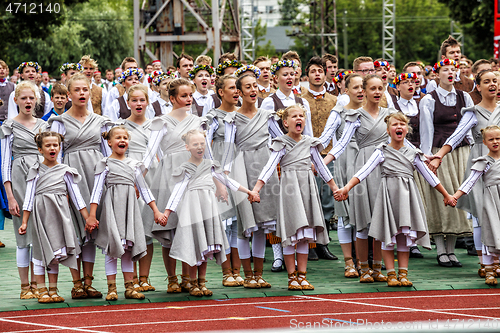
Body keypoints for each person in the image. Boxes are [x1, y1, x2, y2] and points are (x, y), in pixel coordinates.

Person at [335, 112, 455, 287]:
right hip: (387, 198)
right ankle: (391, 274)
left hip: (407, 198)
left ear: (407, 129)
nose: (398, 127)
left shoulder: (413, 153)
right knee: (388, 236)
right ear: (387, 130)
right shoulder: (381, 151)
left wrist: (446, 194)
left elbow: (430, 176)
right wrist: (346, 188)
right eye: (394, 125)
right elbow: (364, 171)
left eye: (402, 124)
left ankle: (403, 274)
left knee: (403, 237)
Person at [141, 78, 215, 293]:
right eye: (183, 96)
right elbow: (150, 152)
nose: (188, 99)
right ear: (172, 98)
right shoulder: (161, 122)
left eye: (190, 95)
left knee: (191, 227)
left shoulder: (199, 121)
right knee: (170, 230)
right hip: (169, 175)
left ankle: (189, 279)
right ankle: (172, 278)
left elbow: (207, 154)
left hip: (193, 175)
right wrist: (138, 179)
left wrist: (216, 181)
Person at [163, 129, 258, 296]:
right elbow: (177, 192)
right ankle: (193, 283)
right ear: (187, 147)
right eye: (195, 144)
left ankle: (202, 282)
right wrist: (166, 213)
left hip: (208, 210)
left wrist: (248, 191)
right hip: (193, 210)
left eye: (202, 144)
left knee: (206, 245)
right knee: (195, 244)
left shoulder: (211, 166)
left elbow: (228, 181)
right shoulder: (185, 168)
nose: (200, 147)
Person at [253, 105, 337, 290]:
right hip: (290, 190)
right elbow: (269, 166)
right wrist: (257, 188)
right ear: (285, 122)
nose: (298, 119)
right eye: (294, 116)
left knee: (305, 234)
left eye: (301, 116)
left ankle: (302, 275)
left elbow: (321, 167)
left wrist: (334, 187)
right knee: (292, 232)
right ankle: (292, 277)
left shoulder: (311, 143)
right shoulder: (281, 143)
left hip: (307, 188)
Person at [324, 74, 394, 284]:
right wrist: (320, 162)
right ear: (364, 90)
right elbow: (340, 144)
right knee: (361, 221)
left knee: (381, 220)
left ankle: (377, 268)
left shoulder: (390, 114)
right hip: (361, 167)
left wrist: (424, 157)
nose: (376, 92)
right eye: (371, 88)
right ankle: (361, 267)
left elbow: (401, 141)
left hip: (383, 167)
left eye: (380, 88)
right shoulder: (353, 116)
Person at [49, 73, 114, 299]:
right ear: (69, 95)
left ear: (90, 91)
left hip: (95, 177)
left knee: (91, 230)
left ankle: (88, 282)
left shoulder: (101, 121)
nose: (82, 94)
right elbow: (54, 156)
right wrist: (59, 184)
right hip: (71, 178)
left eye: (85, 89)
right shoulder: (59, 122)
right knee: (75, 229)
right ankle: (76, 283)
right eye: (76, 90)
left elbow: (108, 156)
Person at [430, 69, 499, 275]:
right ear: (478, 87)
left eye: (495, 80)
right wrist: (439, 155)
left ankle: (496, 261)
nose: (492, 84)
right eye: (486, 81)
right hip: (479, 162)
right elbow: (456, 135)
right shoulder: (473, 112)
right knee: (481, 214)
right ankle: (484, 263)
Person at [87, 126, 165, 300]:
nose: (122, 140)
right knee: (112, 247)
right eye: (118, 137)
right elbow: (97, 191)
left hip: (130, 209)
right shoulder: (104, 163)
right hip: (112, 209)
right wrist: (92, 215)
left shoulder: (134, 165)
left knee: (128, 249)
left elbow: (144, 190)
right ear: (109, 142)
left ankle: (130, 288)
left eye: (125, 138)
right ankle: (111, 289)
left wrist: (156, 211)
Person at [222, 74, 283, 288]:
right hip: (242, 169)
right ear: (239, 91)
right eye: (247, 87)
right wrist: (225, 175)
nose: (253, 90)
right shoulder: (232, 119)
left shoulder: (268, 116)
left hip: (264, 169)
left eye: (255, 86)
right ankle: (247, 275)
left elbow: (281, 141)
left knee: (262, 224)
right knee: (245, 224)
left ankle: (259, 275)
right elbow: (229, 149)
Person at [19, 131, 89, 303]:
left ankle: (53, 289)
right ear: (40, 149)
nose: (52, 148)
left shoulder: (66, 171)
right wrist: (24, 221)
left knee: (57, 251)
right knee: (41, 251)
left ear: (60, 147)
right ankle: (42, 290)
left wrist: (88, 218)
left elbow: (76, 196)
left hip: (60, 216)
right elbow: (28, 197)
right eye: (48, 145)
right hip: (41, 215)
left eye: (55, 145)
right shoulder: (35, 170)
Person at [419, 59, 474, 268]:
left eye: (453, 69)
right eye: (445, 70)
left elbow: (469, 126)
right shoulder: (429, 100)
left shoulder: (465, 96)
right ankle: (441, 250)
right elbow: (426, 130)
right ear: (437, 74)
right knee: (441, 198)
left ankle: (452, 251)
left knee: (458, 198)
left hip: (462, 152)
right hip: (438, 153)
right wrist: (428, 157)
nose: (450, 73)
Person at [1, 81, 46, 299]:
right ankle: (24, 286)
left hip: (41, 180)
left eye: (31, 98)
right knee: (22, 234)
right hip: (19, 180)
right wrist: (9, 196)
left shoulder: (44, 126)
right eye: (24, 98)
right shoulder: (9, 126)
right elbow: (4, 164)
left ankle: (39, 285)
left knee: (39, 233)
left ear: (36, 100)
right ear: (16, 100)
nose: (28, 101)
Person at [319, 73, 362, 278]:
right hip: (346, 163)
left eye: (364, 87)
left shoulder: (375, 111)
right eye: (356, 87)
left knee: (366, 213)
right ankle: (349, 262)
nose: (361, 91)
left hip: (368, 162)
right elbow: (325, 138)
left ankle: (366, 261)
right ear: (345, 90)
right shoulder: (339, 112)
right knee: (346, 214)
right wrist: (314, 158)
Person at [205, 75, 244, 286]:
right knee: (226, 221)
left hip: (242, 168)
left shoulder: (243, 114)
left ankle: (238, 270)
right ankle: (226, 271)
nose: (237, 91)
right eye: (232, 88)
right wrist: (217, 180)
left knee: (240, 221)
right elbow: (206, 149)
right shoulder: (213, 116)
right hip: (222, 168)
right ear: (221, 92)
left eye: (238, 88)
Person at [300, 56, 338, 260]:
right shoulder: (300, 98)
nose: (317, 74)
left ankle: (323, 242)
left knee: (327, 200)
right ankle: (310, 243)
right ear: (307, 75)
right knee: (309, 198)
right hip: (305, 155)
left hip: (328, 155)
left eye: (320, 71)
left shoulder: (334, 99)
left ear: (325, 74)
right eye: (313, 71)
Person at [452, 125, 500, 286]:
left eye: (498, 138)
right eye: (491, 139)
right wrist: (455, 196)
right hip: (490, 202)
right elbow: (470, 181)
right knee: (488, 233)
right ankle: (489, 270)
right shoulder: (483, 161)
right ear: (485, 142)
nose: (495, 142)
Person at [261, 60, 313, 136]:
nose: (289, 77)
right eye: (285, 75)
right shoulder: (269, 102)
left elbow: (308, 132)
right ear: (276, 78)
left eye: (292, 74)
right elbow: (264, 131)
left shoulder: (303, 102)